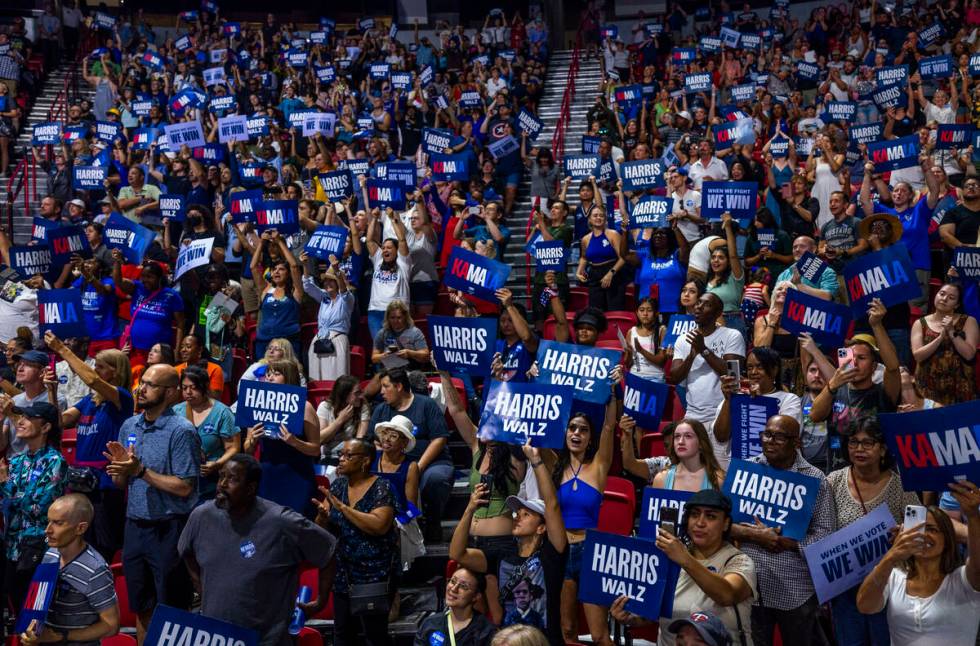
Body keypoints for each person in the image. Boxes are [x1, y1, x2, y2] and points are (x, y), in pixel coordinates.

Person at [179, 455, 337, 646]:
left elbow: (328, 550)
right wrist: (200, 586)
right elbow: (185, 551)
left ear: (250, 488)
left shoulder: (281, 521)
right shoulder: (201, 516)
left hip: (267, 638)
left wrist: (320, 600)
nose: (222, 484)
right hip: (217, 636)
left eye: (232, 479)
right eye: (221, 476)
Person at [103, 364, 200, 644]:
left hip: (169, 528)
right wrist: (121, 473)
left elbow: (184, 487)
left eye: (150, 385)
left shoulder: (182, 431)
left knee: (171, 611)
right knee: (142, 606)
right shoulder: (129, 425)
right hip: (135, 526)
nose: (141, 389)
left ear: (170, 392)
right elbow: (126, 483)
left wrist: (139, 471)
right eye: (141, 382)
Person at [729, 415, 835, 646]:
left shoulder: (815, 479)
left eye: (779, 437)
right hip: (750, 585)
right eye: (767, 434)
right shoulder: (747, 469)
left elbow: (825, 536)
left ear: (796, 442)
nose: (770, 441)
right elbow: (723, 525)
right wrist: (755, 535)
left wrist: (787, 542)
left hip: (796, 590)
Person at [450, 440, 568, 646]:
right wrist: (469, 508)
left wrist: (536, 461)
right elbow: (457, 554)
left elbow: (552, 506)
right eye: (517, 512)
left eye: (525, 514)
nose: (516, 517)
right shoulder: (502, 554)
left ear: (541, 527)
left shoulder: (551, 555)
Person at [610, 490, 756, 646]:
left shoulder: (739, 561)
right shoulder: (667, 560)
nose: (700, 523)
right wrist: (629, 618)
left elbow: (727, 595)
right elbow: (652, 614)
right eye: (694, 515)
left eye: (711, 516)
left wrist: (685, 559)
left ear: (726, 523)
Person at [827, 418, 920, 645]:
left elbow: (919, 530)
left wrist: (903, 536)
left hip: (888, 584)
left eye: (868, 443)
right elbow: (821, 532)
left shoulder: (902, 486)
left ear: (883, 449)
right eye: (853, 442)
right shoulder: (833, 482)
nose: (859, 449)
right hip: (845, 587)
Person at [856, 482, 980, 645]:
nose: (924, 535)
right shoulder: (894, 576)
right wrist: (892, 556)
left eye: (932, 529)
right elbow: (865, 605)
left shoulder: (963, 579)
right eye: (917, 530)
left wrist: (972, 516)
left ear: (947, 539)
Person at [46, 331, 132, 562]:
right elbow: (59, 422)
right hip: (81, 482)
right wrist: (52, 391)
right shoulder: (89, 401)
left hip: (105, 485)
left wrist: (62, 350)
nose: (96, 370)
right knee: (80, 542)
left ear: (116, 371)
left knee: (103, 545)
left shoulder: (122, 399)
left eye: (102, 366)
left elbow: (92, 380)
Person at [312, 439, 397, 646]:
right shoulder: (338, 485)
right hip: (343, 573)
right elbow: (323, 531)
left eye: (348, 455)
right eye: (341, 454)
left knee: (374, 636)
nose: (341, 459)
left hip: (374, 573)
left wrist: (343, 508)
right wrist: (322, 518)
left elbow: (379, 525)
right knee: (342, 634)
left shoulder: (381, 486)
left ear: (365, 460)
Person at [551, 391, 618, 646]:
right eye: (572, 428)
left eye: (583, 430)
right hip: (561, 551)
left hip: (590, 552)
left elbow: (609, 427)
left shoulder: (599, 465)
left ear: (590, 438)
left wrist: (611, 394)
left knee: (600, 634)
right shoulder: (554, 463)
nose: (576, 433)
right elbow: (535, 431)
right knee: (567, 630)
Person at [809, 299, 901, 471]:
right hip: (838, 475)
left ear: (874, 367)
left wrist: (876, 325)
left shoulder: (883, 392)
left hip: (876, 475)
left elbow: (894, 368)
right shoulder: (835, 390)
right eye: (851, 358)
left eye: (862, 358)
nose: (855, 363)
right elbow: (814, 416)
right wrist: (831, 386)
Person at [18, 494, 119, 646]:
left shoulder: (96, 570)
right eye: (48, 521)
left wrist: (61, 636)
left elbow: (111, 626)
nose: (47, 530)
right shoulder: (51, 554)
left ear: (80, 528)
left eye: (58, 523)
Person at [369, 367, 453, 543]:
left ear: (399, 386)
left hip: (430, 463)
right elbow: (374, 441)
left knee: (435, 479)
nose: (381, 392)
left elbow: (439, 439)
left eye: (385, 386)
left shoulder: (426, 405)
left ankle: (432, 522)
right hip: (394, 462)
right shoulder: (381, 410)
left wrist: (417, 468)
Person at [0, 402, 68, 613]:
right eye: (21, 417)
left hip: (39, 547)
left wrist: (5, 485)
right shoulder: (16, 460)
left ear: (46, 427)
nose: (20, 422)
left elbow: (39, 506)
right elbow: (7, 504)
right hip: (12, 547)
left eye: (28, 418)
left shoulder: (55, 461)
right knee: (17, 611)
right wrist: (11, 494)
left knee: (35, 613)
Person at [242, 359, 320, 515]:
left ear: (289, 378)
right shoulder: (257, 403)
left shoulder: (305, 407)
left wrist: (295, 442)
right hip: (268, 474)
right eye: (268, 374)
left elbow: (316, 450)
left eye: (276, 374)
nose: (269, 377)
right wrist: (253, 440)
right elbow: (247, 450)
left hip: (298, 475)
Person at [714, 347, 803, 469]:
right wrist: (729, 399)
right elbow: (720, 437)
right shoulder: (738, 398)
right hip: (741, 470)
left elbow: (784, 437)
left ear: (774, 369)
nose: (753, 372)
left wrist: (759, 400)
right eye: (750, 367)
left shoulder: (789, 399)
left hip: (777, 471)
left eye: (760, 367)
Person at [670, 293, 746, 427]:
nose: (699, 307)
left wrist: (703, 350)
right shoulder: (683, 339)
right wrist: (692, 355)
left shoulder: (732, 335)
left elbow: (733, 374)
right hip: (692, 415)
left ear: (718, 313)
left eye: (707, 305)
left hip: (723, 414)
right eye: (698, 303)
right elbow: (674, 377)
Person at [172, 365, 238, 500]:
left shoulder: (222, 412)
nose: (188, 392)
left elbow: (233, 447)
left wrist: (217, 464)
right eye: (184, 388)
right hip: (181, 479)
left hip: (210, 482)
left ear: (205, 386)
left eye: (193, 387)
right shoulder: (176, 411)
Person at [111, 253, 185, 369]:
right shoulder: (137, 288)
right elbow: (118, 281)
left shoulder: (171, 295)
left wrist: (177, 350)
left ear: (160, 278)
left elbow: (181, 324)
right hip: (135, 350)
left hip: (159, 354)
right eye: (143, 276)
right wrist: (116, 261)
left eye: (149, 277)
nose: (145, 280)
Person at [911, 282, 978, 405]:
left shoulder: (968, 321)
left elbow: (969, 354)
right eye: (942, 294)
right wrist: (940, 337)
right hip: (927, 387)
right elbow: (918, 356)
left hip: (959, 387)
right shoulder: (920, 323)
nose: (944, 298)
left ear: (957, 305)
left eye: (951, 298)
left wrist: (951, 332)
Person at [1, 349, 68, 455]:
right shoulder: (14, 400)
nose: (20, 368)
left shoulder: (56, 399)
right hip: (14, 464)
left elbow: (55, 433)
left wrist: (11, 414)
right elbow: (1, 445)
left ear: (42, 372)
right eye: (19, 364)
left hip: (41, 463)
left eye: (28, 365)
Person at [250, 231, 304, 360]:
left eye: (281, 269)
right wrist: (262, 243)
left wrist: (279, 241)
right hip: (264, 342)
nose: (277, 272)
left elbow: (294, 266)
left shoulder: (295, 291)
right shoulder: (266, 289)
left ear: (288, 273)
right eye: (274, 269)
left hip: (288, 343)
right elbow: (253, 267)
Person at [302, 252, 354, 381]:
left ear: (338, 283)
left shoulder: (347, 299)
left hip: (337, 342)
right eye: (326, 281)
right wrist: (305, 265)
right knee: (316, 378)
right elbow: (308, 286)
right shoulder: (323, 297)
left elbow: (343, 291)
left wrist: (336, 270)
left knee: (336, 379)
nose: (328, 283)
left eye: (332, 281)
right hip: (319, 340)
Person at [414, 567, 497, 646]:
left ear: (476, 596)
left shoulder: (485, 631)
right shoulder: (430, 624)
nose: (454, 589)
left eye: (463, 586)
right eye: (453, 581)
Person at [365, 206, 412, 342]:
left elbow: (402, 240)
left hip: (397, 312)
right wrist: (374, 218)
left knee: (397, 351)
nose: (385, 249)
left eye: (389, 247)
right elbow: (369, 240)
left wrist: (392, 218)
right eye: (383, 247)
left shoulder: (404, 262)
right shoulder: (378, 259)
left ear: (397, 251)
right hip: (375, 312)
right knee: (380, 351)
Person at [652, 419, 725, 491]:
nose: (680, 442)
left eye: (688, 436)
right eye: (677, 436)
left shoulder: (717, 480)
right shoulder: (661, 479)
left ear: (701, 444)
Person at [316, 376, 370, 463]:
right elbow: (320, 439)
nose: (361, 396)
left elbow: (359, 441)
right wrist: (340, 420)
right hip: (328, 457)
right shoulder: (325, 407)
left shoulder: (362, 407)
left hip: (350, 457)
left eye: (361, 392)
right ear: (344, 395)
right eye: (357, 393)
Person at [371, 300, 430, 370]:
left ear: (405, 317)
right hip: (389, 372)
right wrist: (384, 356)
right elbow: (374, 358)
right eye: (392, 318)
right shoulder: (382, 333)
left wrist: (410, 353)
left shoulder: (415, 332)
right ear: (388, 318)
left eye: (399, 318)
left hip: (410, 371)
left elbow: (426, 355)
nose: (395, 321)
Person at [173, 334, 224, 400]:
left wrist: (199, 377)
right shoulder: (176, 370)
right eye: (182, 347)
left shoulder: (215, 369)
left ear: (199, 350)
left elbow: (215, 398)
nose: (183, 350)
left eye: (188, 347)